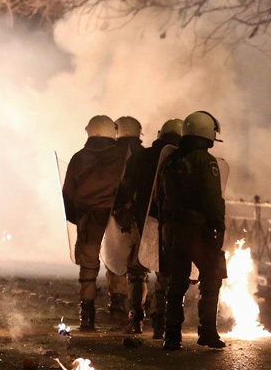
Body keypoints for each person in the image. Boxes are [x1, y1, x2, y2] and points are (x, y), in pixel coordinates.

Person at [155, 111, 227, 350]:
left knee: (176, 282)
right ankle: (207, 332)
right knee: (212, 276)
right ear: (207, 133)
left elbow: (159, 197)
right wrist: (219, 225)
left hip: (172, 230)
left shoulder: (170, 160)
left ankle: (171, 335)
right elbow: (212, 199)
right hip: (197, 230)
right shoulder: (206, 162)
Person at [112, 118, 183, 337]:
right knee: (166, 272)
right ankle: (161, 322)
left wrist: (121, 212)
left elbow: (123, 190)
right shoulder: (182, 160)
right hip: (171, 224)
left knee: (136, 272)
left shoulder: (139, 159)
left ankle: (136, 318)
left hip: (139, 222)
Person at [62, 115, 128, 331]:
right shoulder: (123, 155)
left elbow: (68, 194)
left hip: (88, 218)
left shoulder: (79, 158)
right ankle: (118, 312)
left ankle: (87, 318)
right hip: (116, 218)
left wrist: (76, 218)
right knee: (117, 264)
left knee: (88, 269)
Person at [104, 116, 145, 322]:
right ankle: (137, 311)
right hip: (141, 217)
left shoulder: (108, 155)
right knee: (137, 267)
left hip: (115, 214)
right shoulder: (146, 155)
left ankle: (117, 306)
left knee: (114, 260)